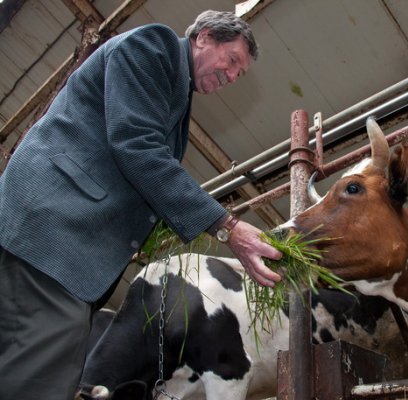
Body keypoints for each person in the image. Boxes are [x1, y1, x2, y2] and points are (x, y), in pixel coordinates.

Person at [0, 10, 282, 399]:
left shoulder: (177, 92)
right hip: (55, 231)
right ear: (203, 37)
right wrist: (227, 226)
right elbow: (136, 145)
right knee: (40, 375)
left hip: (62, 240)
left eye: (240, 74)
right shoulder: (153, 46)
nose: (232, 76)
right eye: (232, 61)